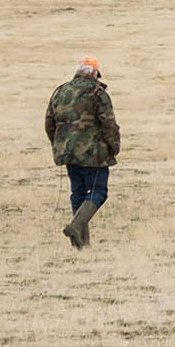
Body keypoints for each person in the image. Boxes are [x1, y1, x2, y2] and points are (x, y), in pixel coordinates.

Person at [45, 56, 121, 249]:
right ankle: (76, 225)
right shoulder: (97, 93)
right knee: (99, 191)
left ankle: (81, 243)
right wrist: (114, 147)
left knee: (78, 192)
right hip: (93, 155)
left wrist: (59, 144)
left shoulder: (60, 91)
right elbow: (108, 124)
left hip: (68, 154)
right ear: (94, 73)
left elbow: (49, 123)